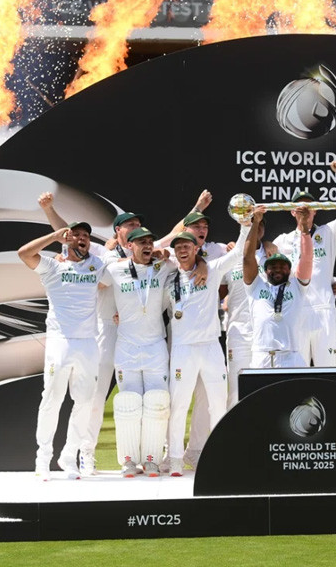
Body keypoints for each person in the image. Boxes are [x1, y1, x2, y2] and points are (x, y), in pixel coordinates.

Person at [37, 190, 209, 474]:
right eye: (130, 225)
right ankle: (85, 453)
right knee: (95, 397)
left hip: (143, 329)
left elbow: (175, 238)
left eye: (139, 226)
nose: (136, 229)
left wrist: (197, 210)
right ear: (118, 232)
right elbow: (69, 238)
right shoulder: (103, 255)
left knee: (156, 397)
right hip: (106, 329)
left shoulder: (149, 252)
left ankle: (160, 454)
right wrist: (49, 211)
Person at [18, 222, 104, 480]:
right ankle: (43, 458)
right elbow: (24, 253)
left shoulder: (97, 265)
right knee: (53, 398)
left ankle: (69, 456)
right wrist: (54, 236)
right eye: (76, 234)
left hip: (88, 342)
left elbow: (126, 264)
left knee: (85, 401)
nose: (82, 238)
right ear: (66, 239)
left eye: (86, 235)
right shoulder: (53, 266)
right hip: (60, 340)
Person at [165, 219, 250, 477]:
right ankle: (175, 459)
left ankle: (219, 456)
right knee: (179, 405)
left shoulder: (211, 269)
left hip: (211, 347)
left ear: (196, 249)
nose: (182, 250)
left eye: (187, 246)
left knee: (218, 405)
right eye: (178, 247)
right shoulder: (167, 277)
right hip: (182, 349)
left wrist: (246, 226)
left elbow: (238, 252)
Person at [98, 227, 177, 477]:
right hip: (127, 346)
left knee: (157, 402)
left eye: (150, 241)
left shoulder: (163, 266)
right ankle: (129, 460)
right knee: (128, 404)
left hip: (155, 345)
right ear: (130, 246)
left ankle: (152, 459)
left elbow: (189, 262)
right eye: (141, 242)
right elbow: (92, 284)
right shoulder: (114, 269)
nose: (148, 246)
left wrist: (167, 253)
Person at [273, 160, 336, 366]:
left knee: (327, 370)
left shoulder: (328, 233)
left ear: (316, 211)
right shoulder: (282, 241)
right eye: (300, 207)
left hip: (324, 310)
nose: (305, 210)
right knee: (296, 369)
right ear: (292, 211)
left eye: (309, 206)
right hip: (295, 310)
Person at [243, 205, 313, 368]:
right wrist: (255, 223)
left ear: (290, 270)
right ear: (265, 270)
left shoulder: (297, 286)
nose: (278, 269)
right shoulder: (256, 286)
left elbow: (307, 258)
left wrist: (304, 227)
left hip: (291, 355)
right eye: (273, 266)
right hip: (262, 355)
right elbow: (247, 258)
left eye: (283, 266)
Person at [222, 208, 278, 404]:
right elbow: (217, 291)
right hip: (238, 332)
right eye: (253, 222)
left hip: (266, 333)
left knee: (264, 390)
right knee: (235, 392)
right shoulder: (230, 256)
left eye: (260, 224)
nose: (257, 227)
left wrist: (270, 245)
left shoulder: (274, 255)